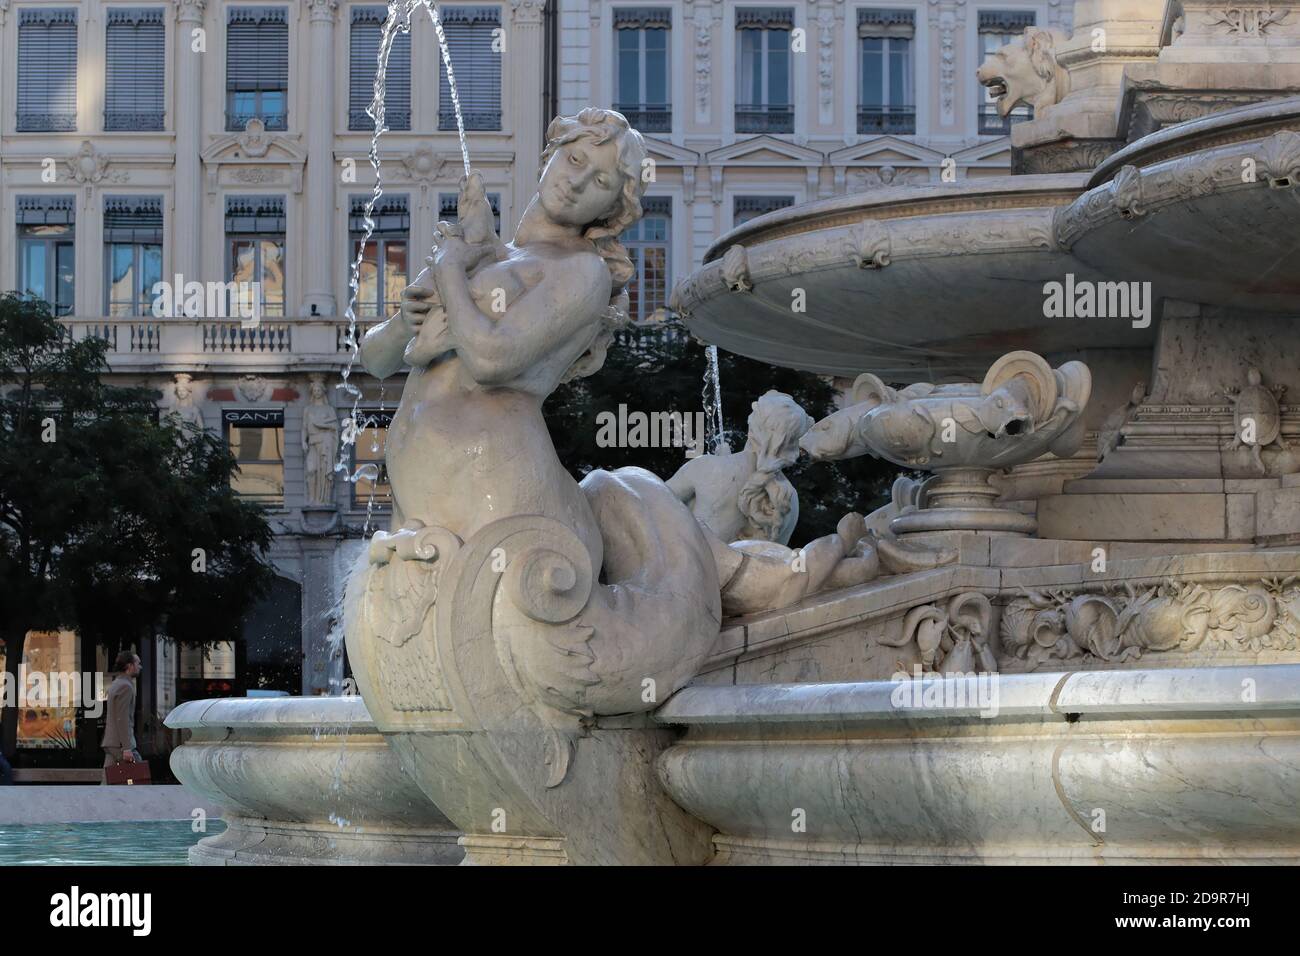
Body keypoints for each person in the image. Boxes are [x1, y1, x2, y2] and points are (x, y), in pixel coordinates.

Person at [101, 651, 142, 783]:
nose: (140, 667)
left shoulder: (116, 683)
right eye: (138, 663)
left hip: (112, 742)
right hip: (120, 745)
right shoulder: (126, 686)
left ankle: (96, 802)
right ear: (130, 666)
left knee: (106, 783)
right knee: (141, 778)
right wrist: (126, 748)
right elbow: (122, 719)